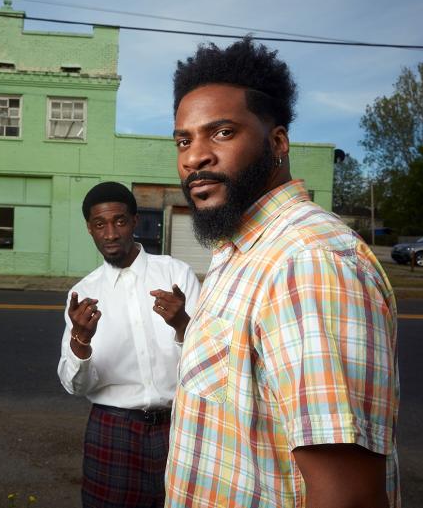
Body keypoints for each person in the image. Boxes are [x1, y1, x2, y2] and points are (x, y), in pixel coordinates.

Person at [164, 38, 400, 508]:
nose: (194, 157)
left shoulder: (307, 261)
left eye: (222, 132)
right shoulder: (239, 249)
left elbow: (347, 497)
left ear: (277, 142)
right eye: (184, 140)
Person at [58, 181, 201, 508]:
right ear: (89, 229)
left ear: (135, 221)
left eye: (119, 221)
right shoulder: (83, 294)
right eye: (100, 225)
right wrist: (81, 340)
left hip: (180, 425)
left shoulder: (176, 275)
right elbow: (75, 386)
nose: (110, 234)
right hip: (113, 431)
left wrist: (182, 324)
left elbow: (210, 363)